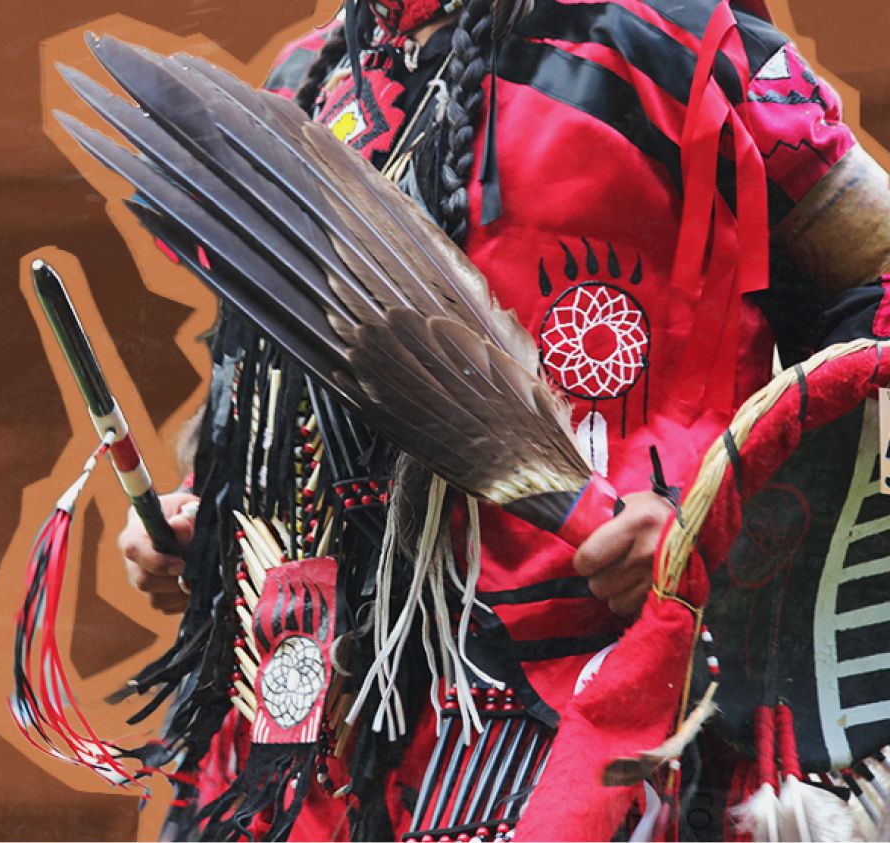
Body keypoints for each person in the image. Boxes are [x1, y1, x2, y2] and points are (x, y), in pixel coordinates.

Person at [114, 0, 890, 838]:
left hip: (595, 703)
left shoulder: (679, 46)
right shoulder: (310, 83)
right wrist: (211, 513)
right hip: (314, 722)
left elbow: (875, 299)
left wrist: (721, 527)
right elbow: (280, 382)